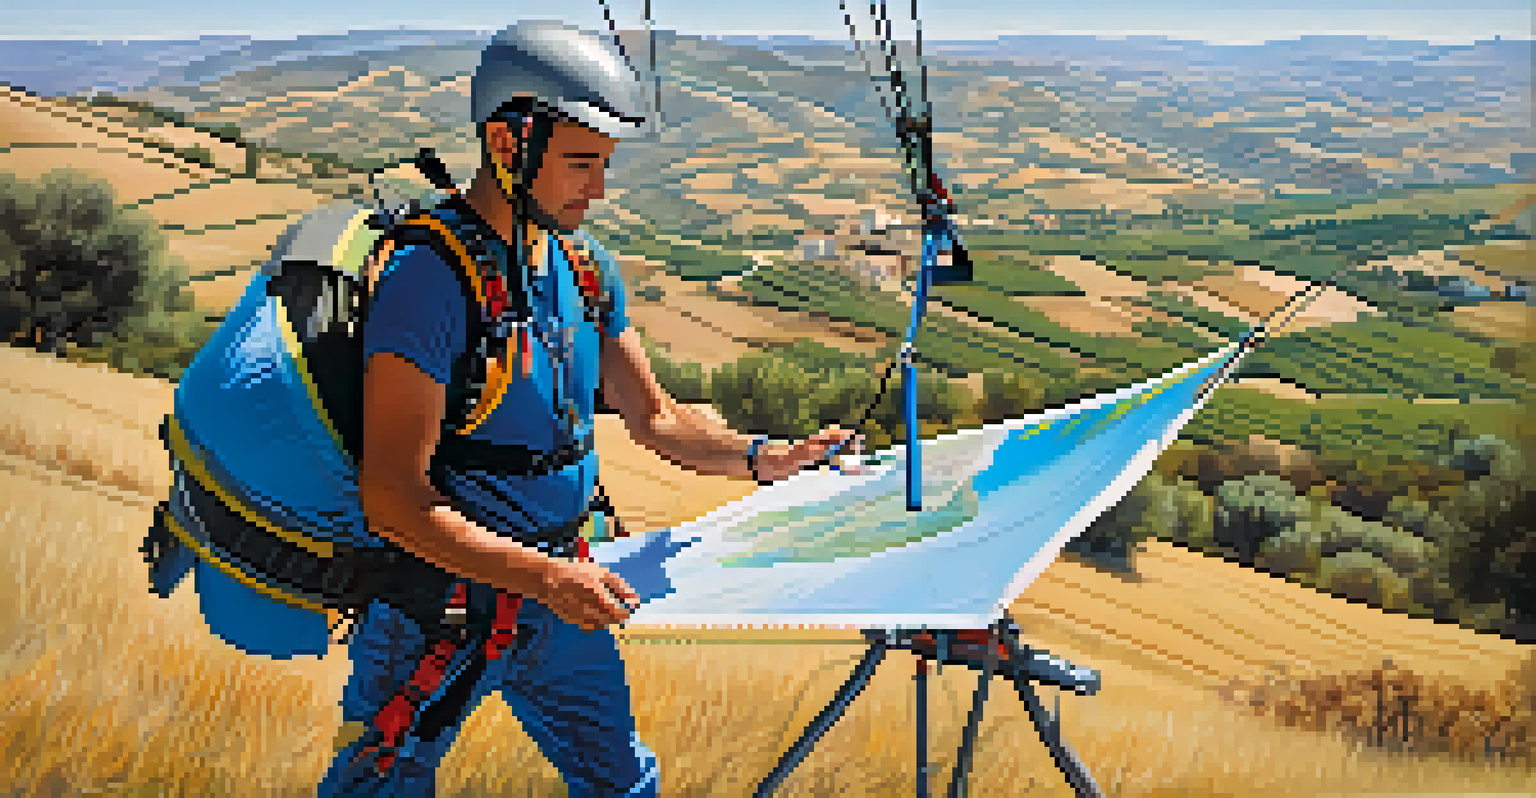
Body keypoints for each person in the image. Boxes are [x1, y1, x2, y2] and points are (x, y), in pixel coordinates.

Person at [319, 21, 855, 797]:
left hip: (564, 593)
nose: (598, 190)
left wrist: (761, 458)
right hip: (438, 608)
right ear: (506, 143)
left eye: (604, 165)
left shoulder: (583, 264)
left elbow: (657, 417)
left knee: (624, 787)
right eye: (580, 163)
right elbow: (392, 498)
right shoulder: (426, 281)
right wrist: (540, 578)